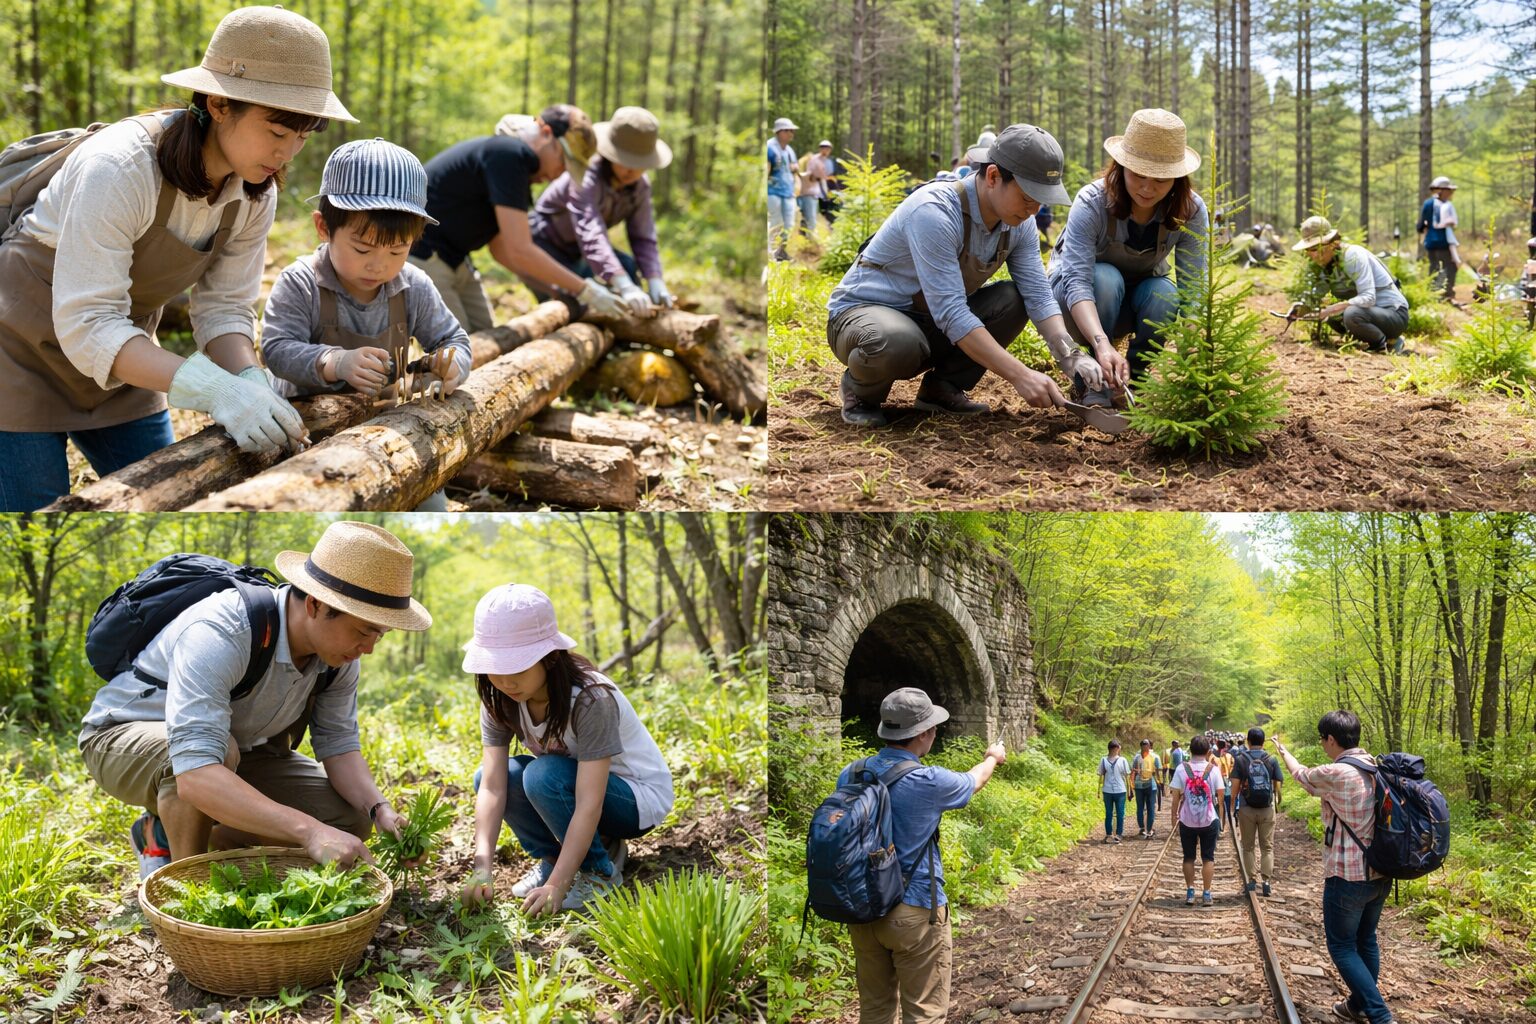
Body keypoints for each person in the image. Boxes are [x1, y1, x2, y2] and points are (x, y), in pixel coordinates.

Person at [0, 5, 347, 510]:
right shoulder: (119, 168)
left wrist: (248, 382)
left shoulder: (255, 192)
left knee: (170, 499)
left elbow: (224, 308)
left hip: (127, 363)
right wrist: (214, 391)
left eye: (303, 134)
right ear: (219, 103)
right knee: (35, 518)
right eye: (277, 131)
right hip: (17, 356)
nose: (288, 153)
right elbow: (89, 322)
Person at [78, 520, 433, 878]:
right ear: (314, 604)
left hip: (236, 752)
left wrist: (378, 810)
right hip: (123, 739)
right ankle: (184, 881)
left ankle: (195, 834)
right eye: (363, 631)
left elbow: (339, 745)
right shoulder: (222, 630)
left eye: (380, 635)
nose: (369, 648)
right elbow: (196, 773)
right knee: (214, 755)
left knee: (348, 821)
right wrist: (308, 832)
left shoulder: (339, 658)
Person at [826, 124, 1082, 428]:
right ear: (993, 177)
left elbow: (1039, 295)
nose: (1035, 209)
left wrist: (1073, 358)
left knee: (1013, 299)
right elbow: (951, 312)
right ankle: (861, 392)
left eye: (1042, 200)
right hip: (865, 316)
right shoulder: (934, 211)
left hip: (931, 321)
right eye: (1028, 197)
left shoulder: (1019, 223)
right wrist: (1021, 375)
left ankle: (941, 389)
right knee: (896, 341)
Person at [460, 584, 674, 915]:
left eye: (517, 667)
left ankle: (599, 872)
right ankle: (555, 858)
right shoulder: (498, 699)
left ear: (550, 658)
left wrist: (558, 887)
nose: (505, 681)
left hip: (634, 797)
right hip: (576, 786)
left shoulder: (591, 699)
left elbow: (590, 801)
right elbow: (492, 786)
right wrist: (482, 865)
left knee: (542, 775)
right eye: (495, 667)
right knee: (502, 775)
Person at [261, 138, 472, 405]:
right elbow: (277, 349)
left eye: (397, 251)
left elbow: (454, 340)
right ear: (324, 227)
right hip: (302, 425)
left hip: (379, 432)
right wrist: (335, 362)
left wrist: (451, 364)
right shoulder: (301, 283)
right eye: (362, 249)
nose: (378, 265)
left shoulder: (413, 286)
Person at [838, 687, 1005, 1024]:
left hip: (862, 910)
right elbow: (974, 781)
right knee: (924, 1013)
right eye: (932, 727)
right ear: (924, 733)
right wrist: (992, 757)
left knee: (874, 1011)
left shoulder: (852, 773)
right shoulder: (928, 780)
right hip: (914, 911)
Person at [408, 105, 625, 337]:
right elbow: (520, 249)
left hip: (455, 259)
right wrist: (586, 291)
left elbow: (502, 249)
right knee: (457, 352)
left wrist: (554, 290)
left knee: (489, 339)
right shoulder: (509, 155)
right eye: (562, 161)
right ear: (546, 133)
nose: (558, 174)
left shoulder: (515, 166)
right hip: (424, 255)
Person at [1048, 108, 1209, 408]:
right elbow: (1078, 284)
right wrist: (1101, 344)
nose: (1147, 188)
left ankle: (1135, 379)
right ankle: (1093, 380)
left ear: (1178, 177)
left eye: (1160, 179)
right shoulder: (1091, 202)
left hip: (1134, 300)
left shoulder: (1191, 211)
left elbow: (1194, 286)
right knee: (1106, 278)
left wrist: (1192, 344)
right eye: (1138, 175)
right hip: (1076, 303)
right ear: (1120, 166)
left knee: (1165, 293)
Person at [1273, 712, 1397, 1024]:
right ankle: (1356, 1006)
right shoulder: (1375, 766)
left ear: (1331, 739)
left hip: (1348, 875)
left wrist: (1285, 754)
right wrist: (1285, 751)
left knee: (1342, 947)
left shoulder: (1337, 772)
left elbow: (1302, 775)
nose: (1322, 744)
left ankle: (1381, 1016)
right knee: (1366, 940)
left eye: (1322, 738)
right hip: (1381, 872)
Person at [527, 105, 675, 316]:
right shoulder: (586, 176)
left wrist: (655, 279)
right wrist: (622, 284)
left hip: (579, 251)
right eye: (624, 161)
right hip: (544, 246)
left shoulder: (640, 187)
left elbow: (643, 236)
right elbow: (591, 231)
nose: (630, 170)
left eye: (638, 164)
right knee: (572, 305)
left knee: (628, 267)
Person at [1293, 216, 1410, 354]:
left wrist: (1332, 308)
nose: (1311, 255)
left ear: (1331, 244)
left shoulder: (1352, 256)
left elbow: (1368, 297)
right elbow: (1316, 294)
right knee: (1332, 316)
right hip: (1370, 313)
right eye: (1308, 250)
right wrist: (1301, 307)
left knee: (1351, 313)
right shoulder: (1326, 265)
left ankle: (1384, 344)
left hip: (1394, 314)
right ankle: (1364, 339)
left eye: (1314, 248)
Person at [1168, 735, 1224, 907]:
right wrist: (1220, 820)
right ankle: (1207, 893)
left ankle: (1190, 891)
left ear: (1190, 751)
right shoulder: (1213, 770)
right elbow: (1220, 797)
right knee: (1208, 858)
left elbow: (1176, 797)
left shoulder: (1181, 769)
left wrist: (1173, 817)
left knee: (1188, 858)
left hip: (1187, 820)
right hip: (1209, 820)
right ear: (1208, 751)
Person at [1231, 726, 1282, 897]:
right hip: (1267, 808)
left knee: (1248, 846)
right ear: (1263, 740)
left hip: (1246, 808)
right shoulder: (1272, 759)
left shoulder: (1240, 759)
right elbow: (1278, 784)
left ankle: (1251, 881)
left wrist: (1233, 806)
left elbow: (1235, 787)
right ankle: (1266, 882)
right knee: (1267, 847)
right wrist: (1277, 801)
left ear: (1248, 741)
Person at [1417, 176, 1458, 302]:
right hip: (1442, 242)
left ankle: (1434, 293)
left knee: (1434, 267)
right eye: (1448, 190)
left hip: (1430, 241)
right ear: (1441, 190)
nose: (1450, 193)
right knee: (1448, 267)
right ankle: (1444, 293)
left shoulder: (1428, 203)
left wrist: (1422, 229)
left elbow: (1420, 224)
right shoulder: (1446, 205)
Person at [766, 117, 799, 261]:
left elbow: (795, 169)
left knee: (789, 225)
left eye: (792, 130)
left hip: (788, 192)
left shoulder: (790, 150)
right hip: (773, 192)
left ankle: (782, 252)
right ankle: (770, 254)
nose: (791, 133)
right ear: (779, 132)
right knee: (776, 224)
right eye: (788, 130)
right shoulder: (769, 147)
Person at [800, 140, 838, 233]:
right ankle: (807, 234)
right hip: (812, 189)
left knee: (826, 211)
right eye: (823, 148)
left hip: (823, 189)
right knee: (810, 215)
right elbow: (813, 175)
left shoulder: (829, 161)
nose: (825, 150)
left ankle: (829, 230)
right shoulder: (814, 160)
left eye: (827, 148)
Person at [1098, 739, 1130, 843]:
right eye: (1119, 747)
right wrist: (1098, 790)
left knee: (1118, 813)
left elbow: (1126, 776)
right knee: (1110, 813)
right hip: (1109, 791)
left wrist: (1129, 790)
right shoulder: (1103, 760)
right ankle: (1110, 833)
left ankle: (1118, 833)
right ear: (1116, 748)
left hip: (1119, 790)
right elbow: (1101, 775)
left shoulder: (1122, 760)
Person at [1130, 739, 1161, 839]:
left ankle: (1142, 828)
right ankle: (1149, 829)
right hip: (1151, 785)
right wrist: (1160, 782)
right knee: (1150, 807)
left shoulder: (1136, 757)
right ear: (1150, 746)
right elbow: (1158, 771)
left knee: (1140, 807)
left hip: (1139, 785)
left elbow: (1133, 771)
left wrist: (1132, 785)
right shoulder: (1155, 757)